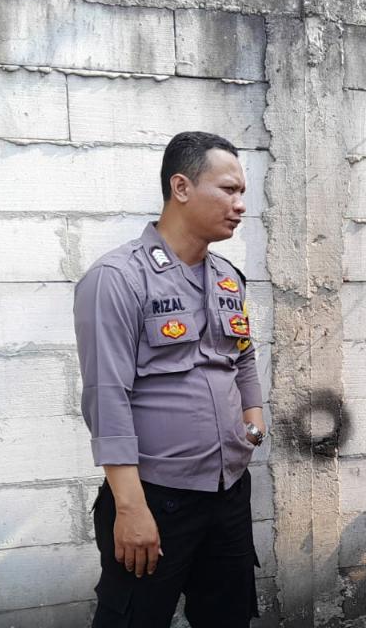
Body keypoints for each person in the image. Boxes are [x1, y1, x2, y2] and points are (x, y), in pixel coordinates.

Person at [74, 131, 266, 627]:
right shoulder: (117, 278)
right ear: (181, 187)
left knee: (228, 618)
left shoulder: (228, 277)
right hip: (156, 498)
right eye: (228, 190)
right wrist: (130, 507)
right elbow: (106, 396)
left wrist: (253, 425)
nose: (240, 205)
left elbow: (242, 358)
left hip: (228, 492)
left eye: (242, 192)